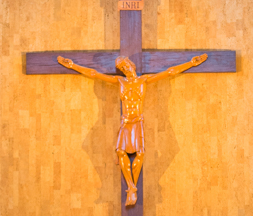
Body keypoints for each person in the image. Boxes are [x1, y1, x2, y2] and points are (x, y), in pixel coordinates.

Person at [57, 54, 207, 206]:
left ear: (132, 65)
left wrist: (190, 64)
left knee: (141, 154)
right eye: (122, 68)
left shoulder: (144, 80)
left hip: (137, 122)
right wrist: (73, 66)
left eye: (126, 65)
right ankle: (131, 188)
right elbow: (94, 74)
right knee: (120, 152)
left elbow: (170, 71)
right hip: (125, 122)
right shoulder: (119, 81)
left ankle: (131, 189)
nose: (125, 69)